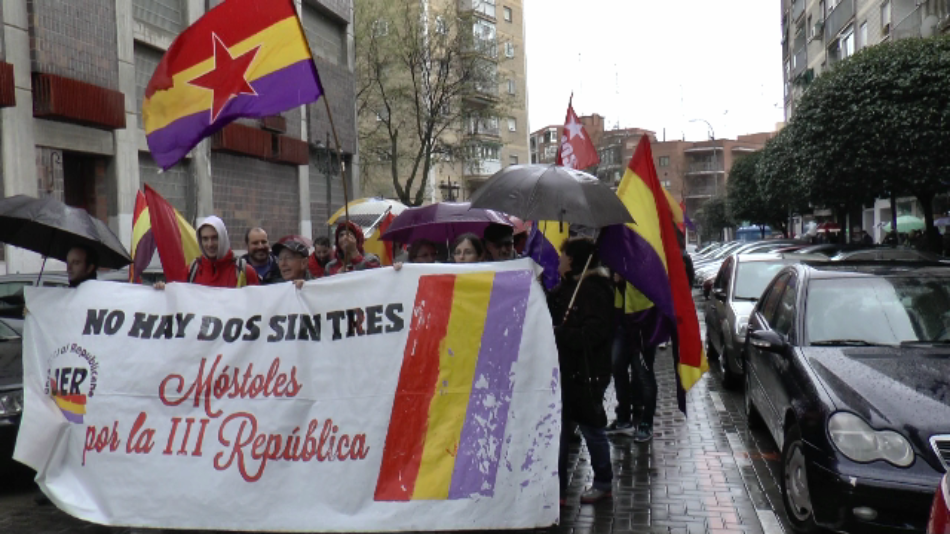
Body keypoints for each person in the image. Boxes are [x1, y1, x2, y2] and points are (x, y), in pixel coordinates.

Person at [548, 237, 614, 504]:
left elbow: (593, 333)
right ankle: (559, 488)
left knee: (591, 427)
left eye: (562, 256)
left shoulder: (594, 290)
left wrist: (561, 333)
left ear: (572, 260)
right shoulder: (569, 287)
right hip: (566, 371)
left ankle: (603, 481)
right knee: (562, 430)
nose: (559, 261)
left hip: (587, 372)